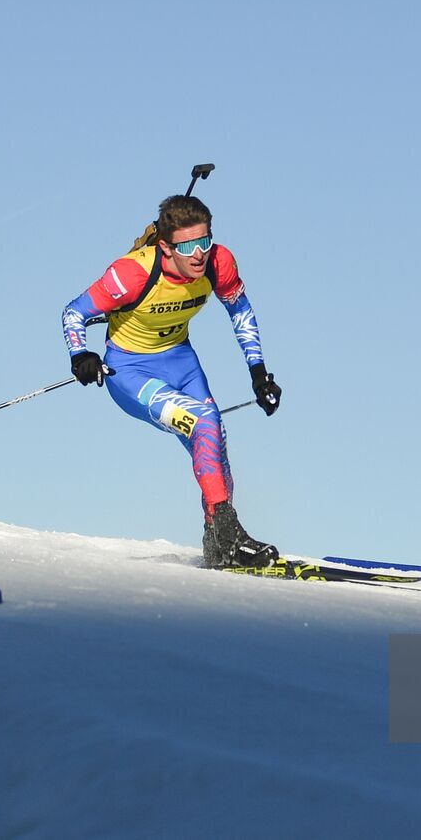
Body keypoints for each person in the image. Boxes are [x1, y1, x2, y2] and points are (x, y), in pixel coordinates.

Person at [62, 195, 283, 569]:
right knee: (203, 421)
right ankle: (228, 536)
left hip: (181, 361)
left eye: (205, 241)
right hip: (131, 371)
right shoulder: (130, 273)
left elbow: (240, 310)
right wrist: (81, 356)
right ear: (165, 246)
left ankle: (217, 541)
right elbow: (73, 312)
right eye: (187, 246)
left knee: (214, 437)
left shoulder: (219, 262)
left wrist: (258, 372)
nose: (199, 254)